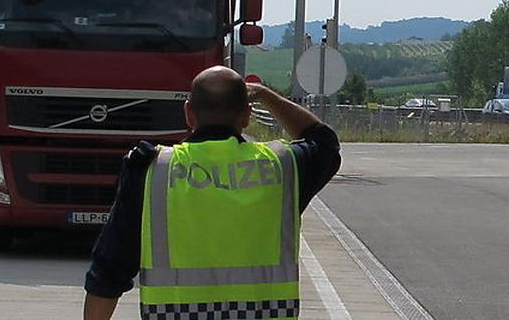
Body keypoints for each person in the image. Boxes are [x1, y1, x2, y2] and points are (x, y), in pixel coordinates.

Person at [83, 66, 341, 320]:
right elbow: (323, 140)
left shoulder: (151, 171)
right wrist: (265, 94)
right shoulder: (283, 166)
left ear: (188, 113)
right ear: (247, 116)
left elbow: (108, 272)